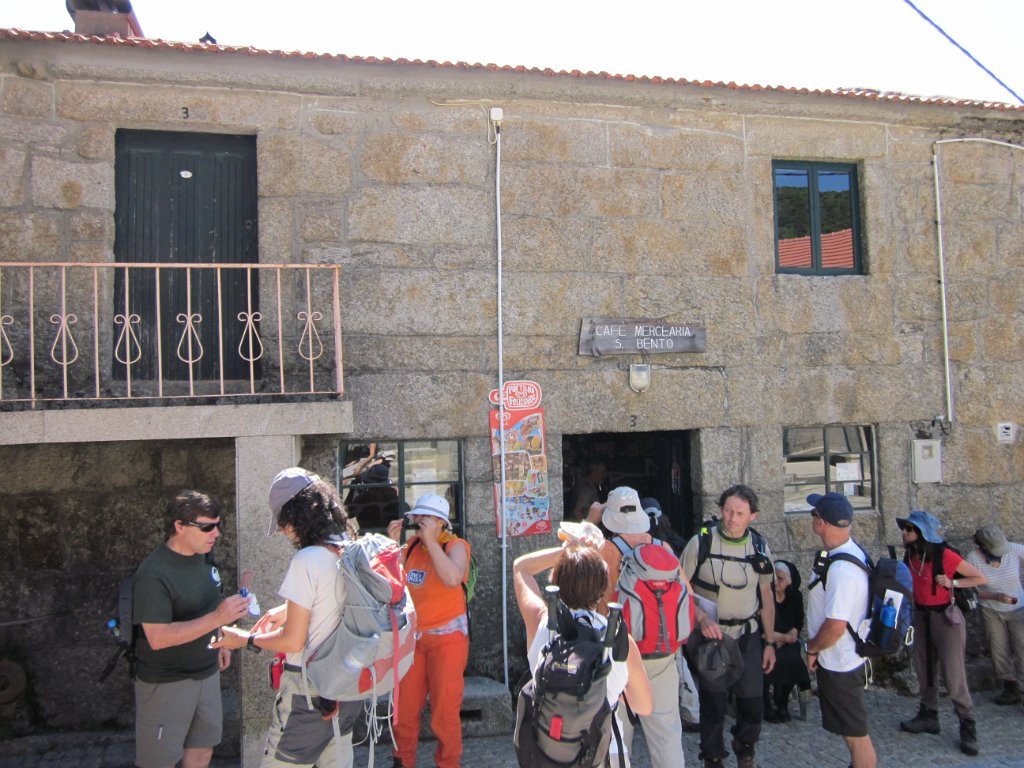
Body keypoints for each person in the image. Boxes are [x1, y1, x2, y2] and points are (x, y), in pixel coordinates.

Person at [214, 467, 363, 768]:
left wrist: (244, 639)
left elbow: (293, 641)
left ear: (298, 514)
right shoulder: (351, 547)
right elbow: (336, 602)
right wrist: (285, 610)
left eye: (282, 521)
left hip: (308, 694)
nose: (283, 530)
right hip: (349, 686)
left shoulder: (307, 559)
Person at [513, 526, 653, 763]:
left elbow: (521, 567)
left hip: (548, 755)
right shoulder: (618, 639)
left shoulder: (542, 625)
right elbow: (644, 706)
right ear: (602, 588)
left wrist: (568, 551)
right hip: (603, 754)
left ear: (556, 581)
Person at [132, 490, 250, 768]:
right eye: (207, 527)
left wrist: (219, 638)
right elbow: (158, 638)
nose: (216, 533)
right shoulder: (153, 574)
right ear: (179, 526)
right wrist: (217, 619)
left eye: (218, 525)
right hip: (166, 681)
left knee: (202, 751)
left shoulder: (204, 555)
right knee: (159, 762)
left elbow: (205, 604)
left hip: (206, 673)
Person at [681, 484, 776, 768]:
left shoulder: (759, 547)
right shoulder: (701, 542)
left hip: (747, 634)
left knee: (753, 703)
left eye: (739, 513)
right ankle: (713, 757)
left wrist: (770, 642)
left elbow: (767, 595)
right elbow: (680, 588)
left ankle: (744, 747)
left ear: (752, 516)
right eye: (727, 510)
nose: (732, 518)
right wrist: (701, 618)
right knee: (714, 704)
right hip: (711, 637)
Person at [597, 487, 690, 768]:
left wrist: (590, 521)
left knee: (617, 734)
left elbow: (596, 604)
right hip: (661, 652)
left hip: (619, 653)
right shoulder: (664, 549)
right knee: (666, 733)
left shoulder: (606, 551)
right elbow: (687, 594)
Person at [385, 493, 471, 768]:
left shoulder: (456, 546)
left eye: (426, 517)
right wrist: (392, 545)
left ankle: (448, 762)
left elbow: (452, 578)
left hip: (448, 639)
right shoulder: (411, 546)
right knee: (405, 705)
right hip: (413, 639)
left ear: (441, 522)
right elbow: (390, 583)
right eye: (418, 516)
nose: (419, 521)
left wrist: (432, 542)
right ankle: (402, 759)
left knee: (445, 708)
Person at [896, 510, 987, 756]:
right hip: (921, 615)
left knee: (953, 673)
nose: (904, 532)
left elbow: (979, 578)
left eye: (909, 529)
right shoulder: (911, 554)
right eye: (904, 528)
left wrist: (952, 583)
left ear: (922, 532)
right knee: (924, 668)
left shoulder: (944, 554)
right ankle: (929, 714)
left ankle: (967, 723)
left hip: (946, 618)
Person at [804, 493, 876, 768]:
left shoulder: (842, 570)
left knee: (857, 738)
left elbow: (835, 627)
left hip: (841, 662)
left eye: (813, 515)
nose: (811, 519)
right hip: (841, 658)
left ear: (821, 523)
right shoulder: (848, 553)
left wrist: (812, 648)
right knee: (852, 734)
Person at [966, 525, 1024, 705]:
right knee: (998, 650)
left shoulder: (1015, 550)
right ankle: (1011, 687)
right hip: (991, 609)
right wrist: (995, 596)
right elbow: (971, 590)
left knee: (1022, 648)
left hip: (1018, 608)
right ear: (983, 548)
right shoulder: (972, 559)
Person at [762, 560, 810, 723]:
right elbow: (762, 629)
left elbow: (798, 623)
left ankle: (782, 703)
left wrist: (793, 633)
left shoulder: (795, 597)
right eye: (774, 577)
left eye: (780, 578)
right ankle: (767, 706)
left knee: (793, 661)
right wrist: (783, 638)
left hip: (787, 643)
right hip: (767, 641)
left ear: (789, 581)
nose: (776, 582)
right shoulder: (766, 595)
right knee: (764, 659)